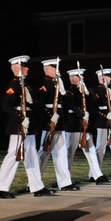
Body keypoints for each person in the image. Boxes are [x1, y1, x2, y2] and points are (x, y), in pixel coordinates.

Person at [0, 55, 52, 197]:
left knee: (31, 156)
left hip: (28, 125)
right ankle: (1, 188)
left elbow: (33, 104)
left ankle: (37, 187)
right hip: (18, 125)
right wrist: (20, 119)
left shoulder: (25, 86)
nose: (27, 69)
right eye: (24, 66)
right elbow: (6, 104)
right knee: (13, 155)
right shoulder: (13, 84)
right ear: (18, 68)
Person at [36, 58, 78, 191]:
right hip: (49, 123)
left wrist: (63, 90)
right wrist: (50, 118)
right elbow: (39, 104)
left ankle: (65, 182)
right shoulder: (44, 84)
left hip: (59, 123)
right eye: (54, 68)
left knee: (61, 153)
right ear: (47, 69)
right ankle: (34, 183)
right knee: (44, 153)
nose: (57, 71)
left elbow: (66, 102)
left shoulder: (57, 84)